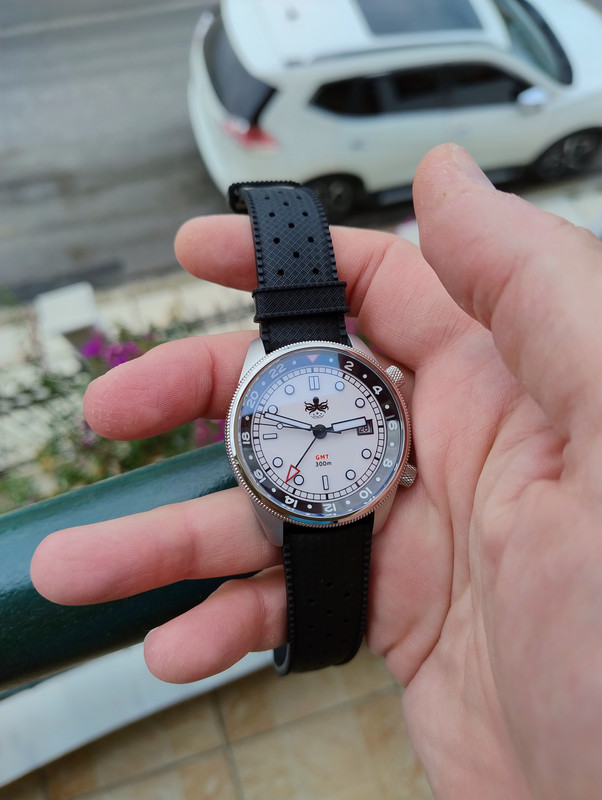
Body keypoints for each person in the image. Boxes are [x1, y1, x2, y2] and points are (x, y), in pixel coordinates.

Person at [30, 144, 602, 799]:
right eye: (309, 429)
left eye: (331, 425)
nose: (323, 433)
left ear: (385, 394)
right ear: (243, 431)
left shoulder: (353, 390)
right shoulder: (293, 377)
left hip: (360, 494)